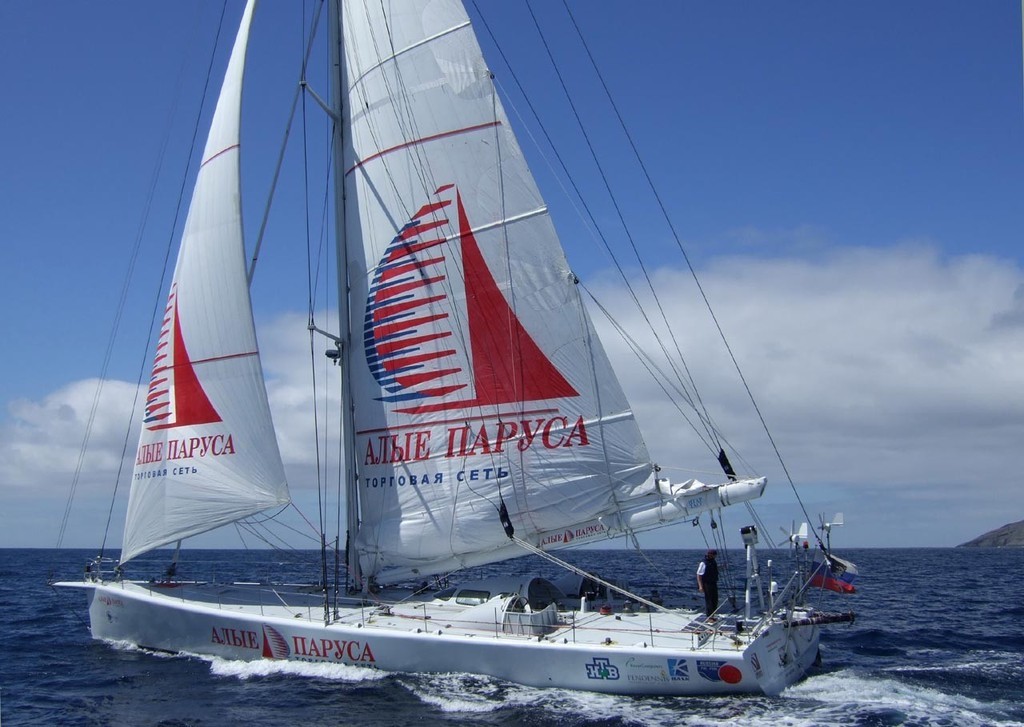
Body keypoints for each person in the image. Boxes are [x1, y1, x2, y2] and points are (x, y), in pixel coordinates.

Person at [696, 549, 719, 619]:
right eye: (714, 555)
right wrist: (700, 586)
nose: (715, 557)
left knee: (715, 599)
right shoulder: (703, 563)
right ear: (710, 555)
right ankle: (709, 617)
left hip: (713, 582)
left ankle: (713, 615)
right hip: (707, 584)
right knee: (709, 600)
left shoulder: (713, 561)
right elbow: (699, 575)